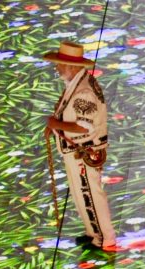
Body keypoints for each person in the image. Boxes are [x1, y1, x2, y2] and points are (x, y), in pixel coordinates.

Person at [43, 41, 118, 251]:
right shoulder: (78, 82)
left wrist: (55, 124)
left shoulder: (83, 92)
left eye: (60, 64)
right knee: (81, 193)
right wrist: (56, 127)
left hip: (83, 151)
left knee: (90, 193)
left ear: (71, 66)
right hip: (76, 151)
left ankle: (106, 238)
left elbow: (83, 127)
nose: (57, 68)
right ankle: (93, 233)